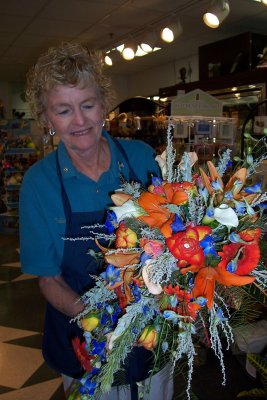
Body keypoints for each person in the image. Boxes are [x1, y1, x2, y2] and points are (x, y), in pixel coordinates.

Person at [19, 42, 174, 400]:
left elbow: (174, 242)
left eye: (88, 105)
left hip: (151, 335)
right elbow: (48, 279)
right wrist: (104, 322)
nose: (80, 121)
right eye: (63, 110)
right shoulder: (40, 184)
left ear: (103, 105)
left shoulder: (142, 159)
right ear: (46, 118)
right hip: (82, 338)